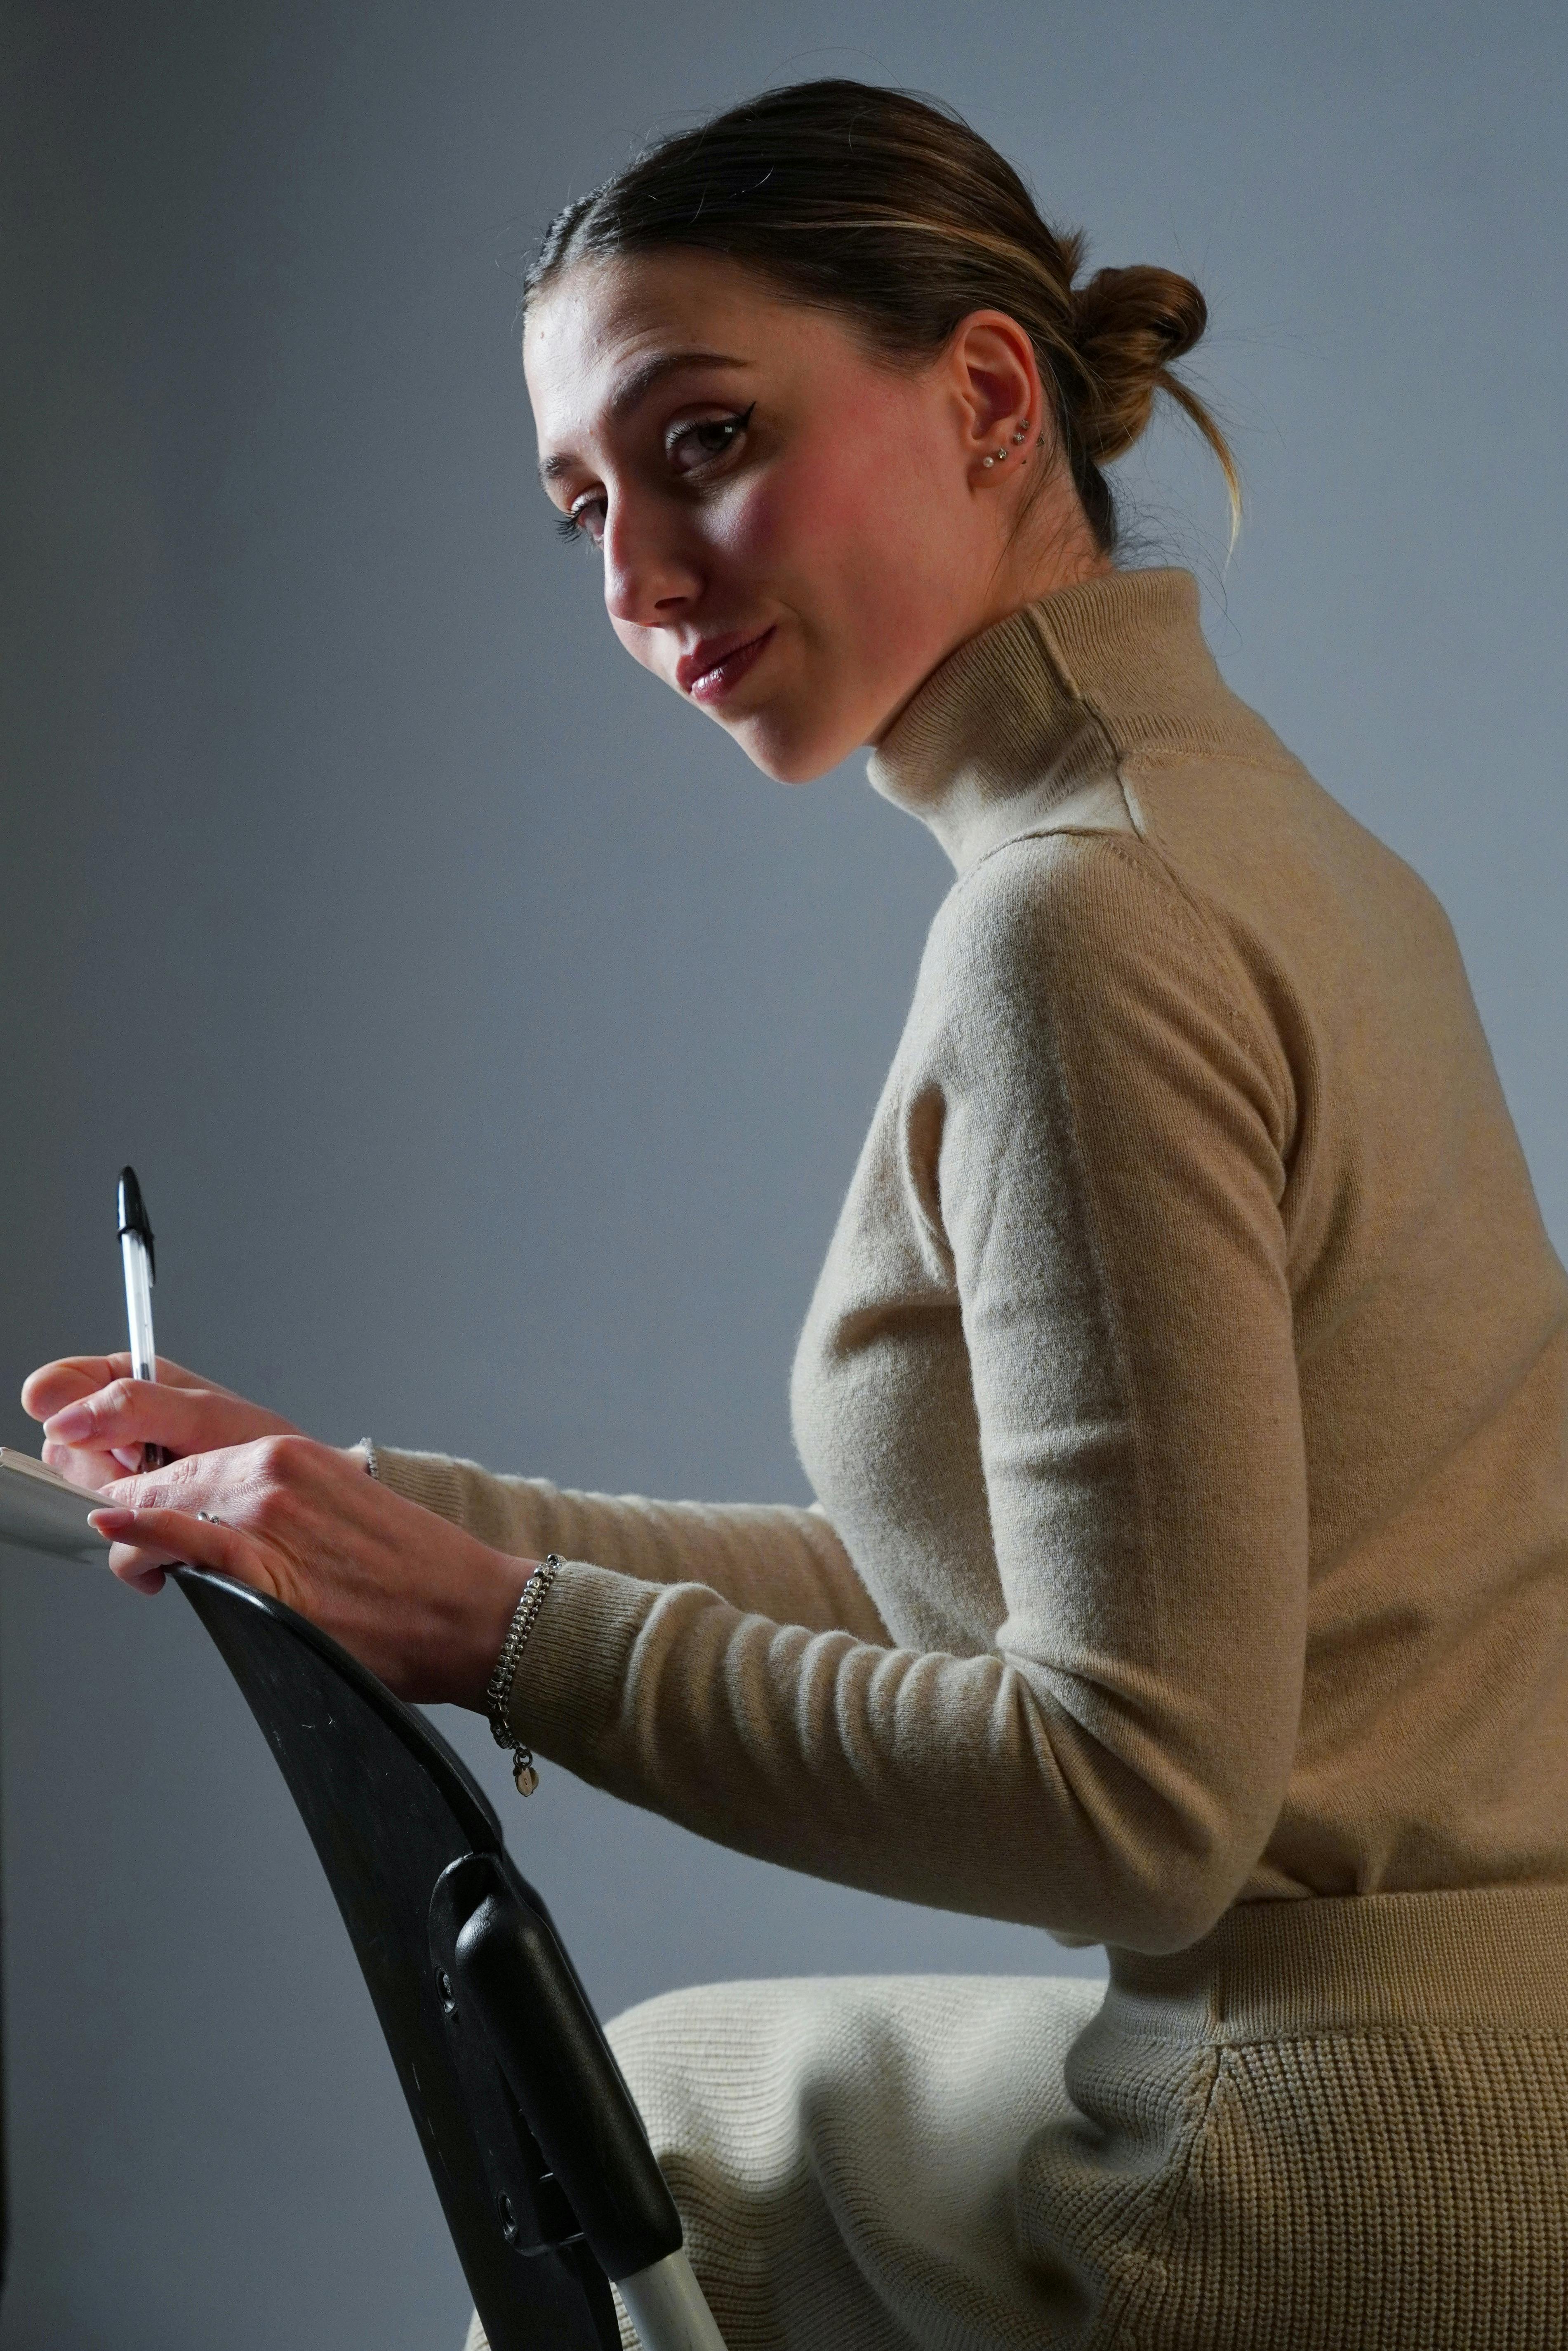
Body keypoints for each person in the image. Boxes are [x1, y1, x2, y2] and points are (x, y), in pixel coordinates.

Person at [25, 79, 1568, 2351]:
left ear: (982, 395)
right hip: (1491, 2046)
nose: (641, 580)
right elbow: (1055, 1594)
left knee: (628, 2166)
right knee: (677, 2098)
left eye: (704, 443)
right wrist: (362, 1525)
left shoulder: (1084, 934)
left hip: (1344, 2137)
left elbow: (1137, 1798)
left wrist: (492, 1625)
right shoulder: (1266, 848)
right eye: (584, 512)